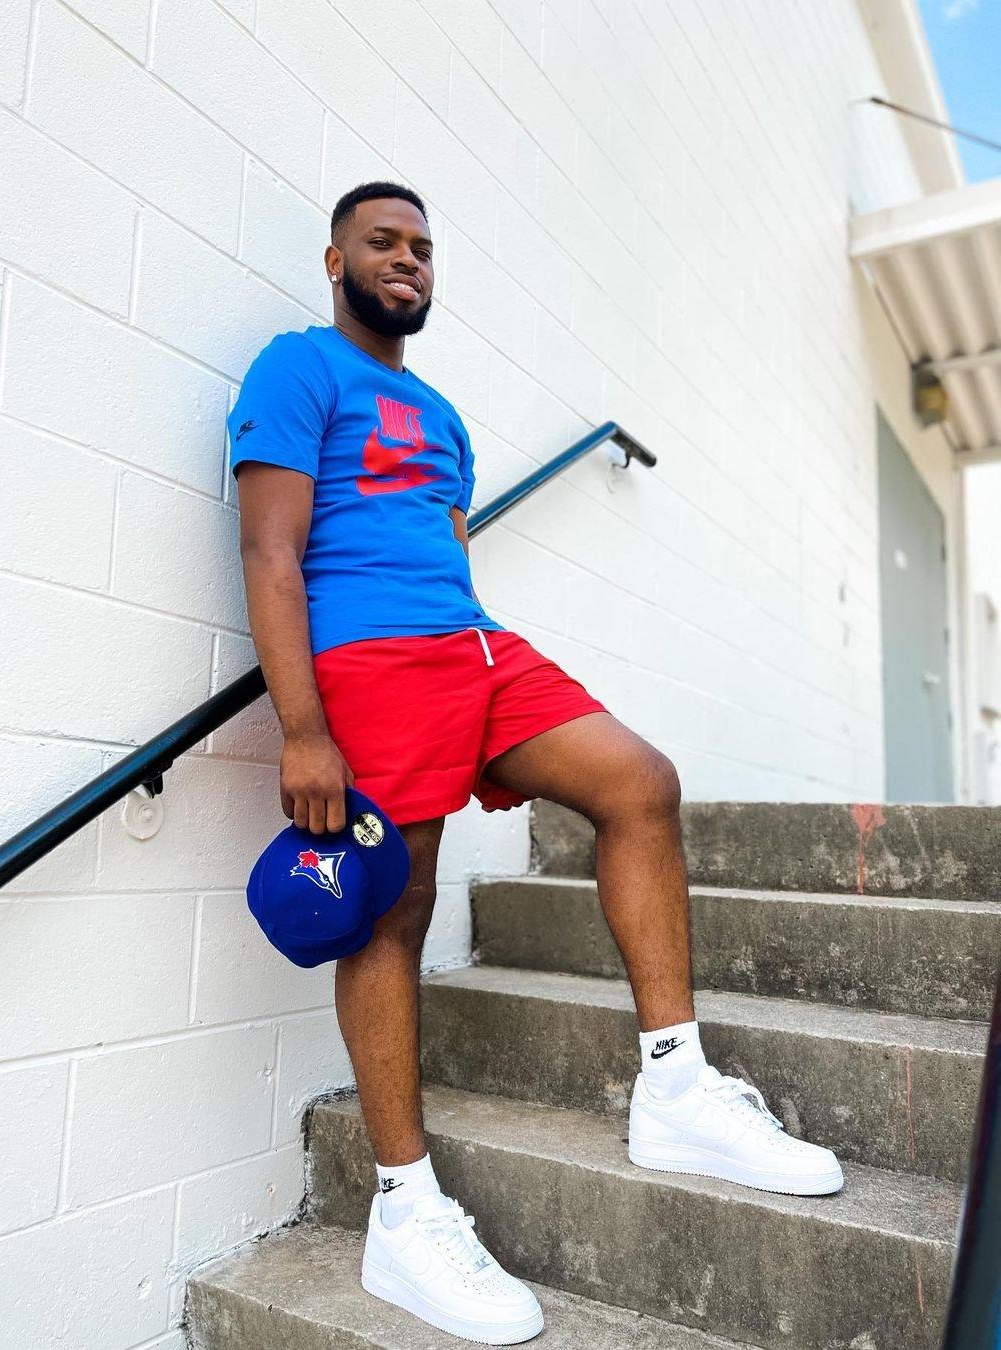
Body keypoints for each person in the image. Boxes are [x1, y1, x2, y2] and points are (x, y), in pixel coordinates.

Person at [229, 180, 843, 1346]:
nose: (406, 259)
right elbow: (269, 547)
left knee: (639, 783)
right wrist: (303, 726)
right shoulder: (296, 369)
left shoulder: (444, 414)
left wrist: (477, 658)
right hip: (368, 651)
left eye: (420, 245)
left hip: (471, 645)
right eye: (382, 242)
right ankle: (404, 1217)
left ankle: (674, 1085)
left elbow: (448, 550)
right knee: (393, 915)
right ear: (335, 259)